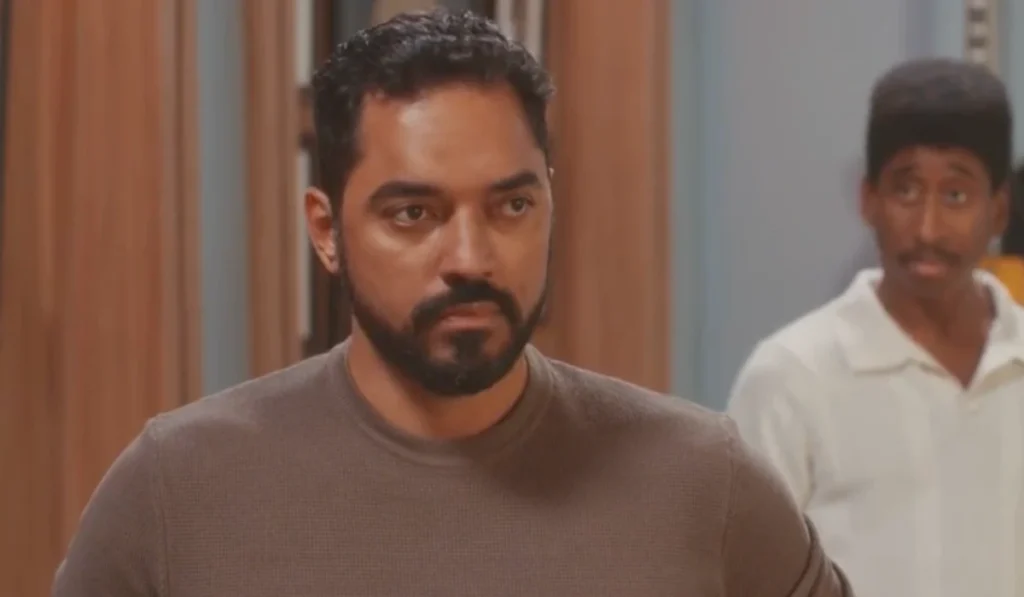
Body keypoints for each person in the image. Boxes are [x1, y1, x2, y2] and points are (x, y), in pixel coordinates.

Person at [53, 10, 850, 597]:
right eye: (414, 213)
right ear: (326, 231)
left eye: (511, 206)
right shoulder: (179, 490)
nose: (470, 258)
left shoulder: (702, 483)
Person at [728, 58, 1023, 597]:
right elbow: (741, 576)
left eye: (956, 195)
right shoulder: (791, 377)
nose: (928, 228)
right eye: (906, 191)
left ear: (998, 211)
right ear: (870, 200)